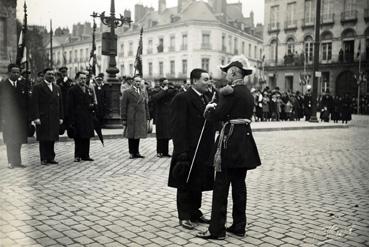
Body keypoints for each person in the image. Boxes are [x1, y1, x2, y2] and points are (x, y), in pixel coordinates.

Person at [197, 55, 261, 240]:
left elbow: (217, 115)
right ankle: (239, 226)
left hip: (229, 141)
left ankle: (216, 230)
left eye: (227, 73)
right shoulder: (247, 92)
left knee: (221, 186)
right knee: (239, 186)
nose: (226, 77)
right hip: (244, 141)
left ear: (234, 73)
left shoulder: (230, 92)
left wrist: (210, 108)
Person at [168, 68, 216, 230]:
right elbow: (177, 126)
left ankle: (195, 211)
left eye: (209, 79)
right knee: (185, 181)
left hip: (204, 148)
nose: (209, 82)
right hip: (188, 149)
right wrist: (181, 151)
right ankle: (184, 216)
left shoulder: (207, 97)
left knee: (199, 181)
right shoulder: (182, 98)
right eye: (205, 79)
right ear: (195, 81)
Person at [31, 68, 64, 165]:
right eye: (49, 74)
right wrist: (36, 117)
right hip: (43, 117)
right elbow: (34, 103)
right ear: (44, 75)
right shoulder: (38, 87)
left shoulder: (57, 87)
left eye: (53, 74)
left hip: (54, 117)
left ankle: (51, 157)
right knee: (43, 138)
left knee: (52, 138)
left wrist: (61, 117)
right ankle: (44, 158)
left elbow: (60, 103)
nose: (51, 76)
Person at [0, 64, 29, 168]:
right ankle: (11, 161)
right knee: (10, 140)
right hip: (8, 118)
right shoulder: (3, 86)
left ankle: (18, 161)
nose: (16, 74)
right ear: (9, 73)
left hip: (20, 118)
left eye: (18, 72)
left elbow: (26, 102)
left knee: (19, 140)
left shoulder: (22, 85)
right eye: (14, 72)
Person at [67, 71, 95, 162]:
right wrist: (71, 120)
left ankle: (85, 155)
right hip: (77, 117)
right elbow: (70, 105)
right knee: (78, 137)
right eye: (81, 78)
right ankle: (77, 155)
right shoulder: (72, 90)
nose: (83, 80)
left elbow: (92, 101)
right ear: (77, 79)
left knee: (87, 136)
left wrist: (92, 106)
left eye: (84, 78)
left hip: (87, 116)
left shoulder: (88, 89)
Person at [120, 75, 150, 159]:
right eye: (136, 81)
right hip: (132, 116)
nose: (138, 83)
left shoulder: (143, 92)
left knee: (138, 134)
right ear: (133, 82)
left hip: (141, 116)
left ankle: (137, 152)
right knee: (131, 135)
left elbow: (145, 105)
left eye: (139, 81)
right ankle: (131, 152)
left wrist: (147, 117)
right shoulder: (127, 92)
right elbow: (123, 106)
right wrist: (124, 118)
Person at [151, 78, 178, 157]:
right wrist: (163, 91)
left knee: (166, 134)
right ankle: (159, 151)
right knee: (160, 135)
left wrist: (170, 89)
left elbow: (175, 93)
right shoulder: (156, 90)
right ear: (160, 84)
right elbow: (155, 98)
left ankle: (165, 152)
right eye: (165, 83)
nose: (167, 85)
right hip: (160, 116)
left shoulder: (170, 91)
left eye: (167, 83)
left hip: (168, 115)